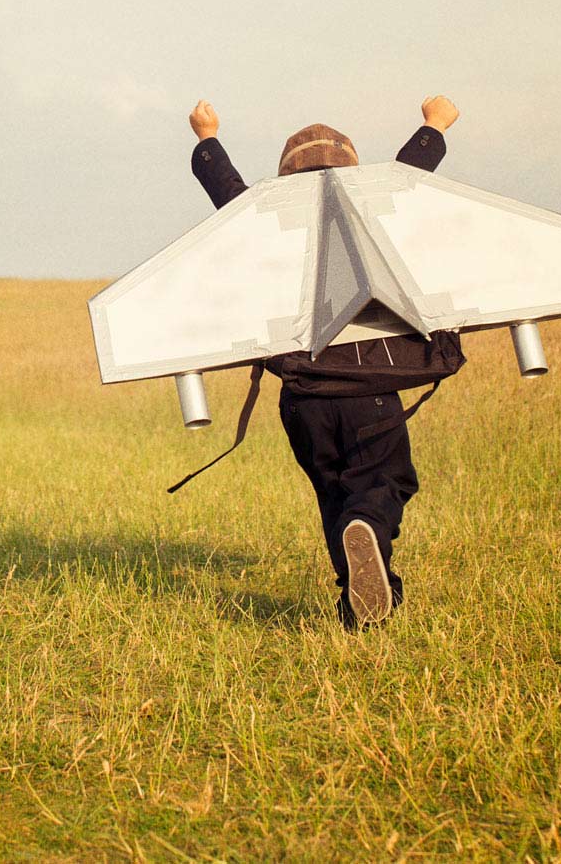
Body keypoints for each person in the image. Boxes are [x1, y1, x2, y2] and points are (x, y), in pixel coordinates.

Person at [185, 95, 465, 629]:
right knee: (383, 486)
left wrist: (206, 137)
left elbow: (229, 195)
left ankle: (357, 608)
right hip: (369, 390)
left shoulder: (267, 229)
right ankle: (368, 538)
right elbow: (408, 179)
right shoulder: (371, 221)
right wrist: (433, 125)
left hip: (303, 401)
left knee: (333, 493)